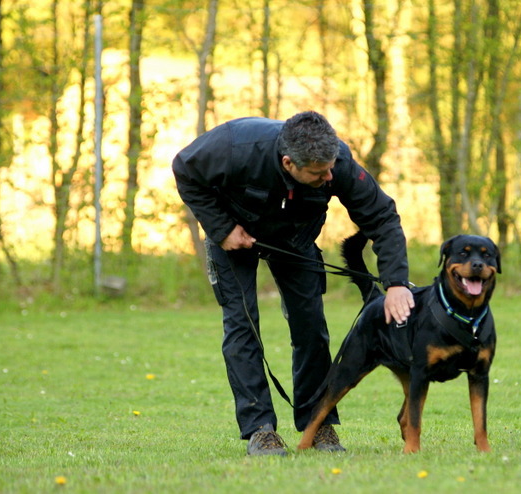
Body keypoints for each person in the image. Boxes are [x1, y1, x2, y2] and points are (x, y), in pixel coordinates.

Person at [172, 111, 414, 456]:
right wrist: (222, 228)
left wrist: (396, 282)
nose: (329, 177)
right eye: (318, 173)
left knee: (311, 325)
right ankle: (260, 430)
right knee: (242, 325)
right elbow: (184, 168)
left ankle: (318, 423)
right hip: (234, 237)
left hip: (296, 239)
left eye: (330, 168)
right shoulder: (234, 146)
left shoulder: (338, 162)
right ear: (288, 163)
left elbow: (382, 217)